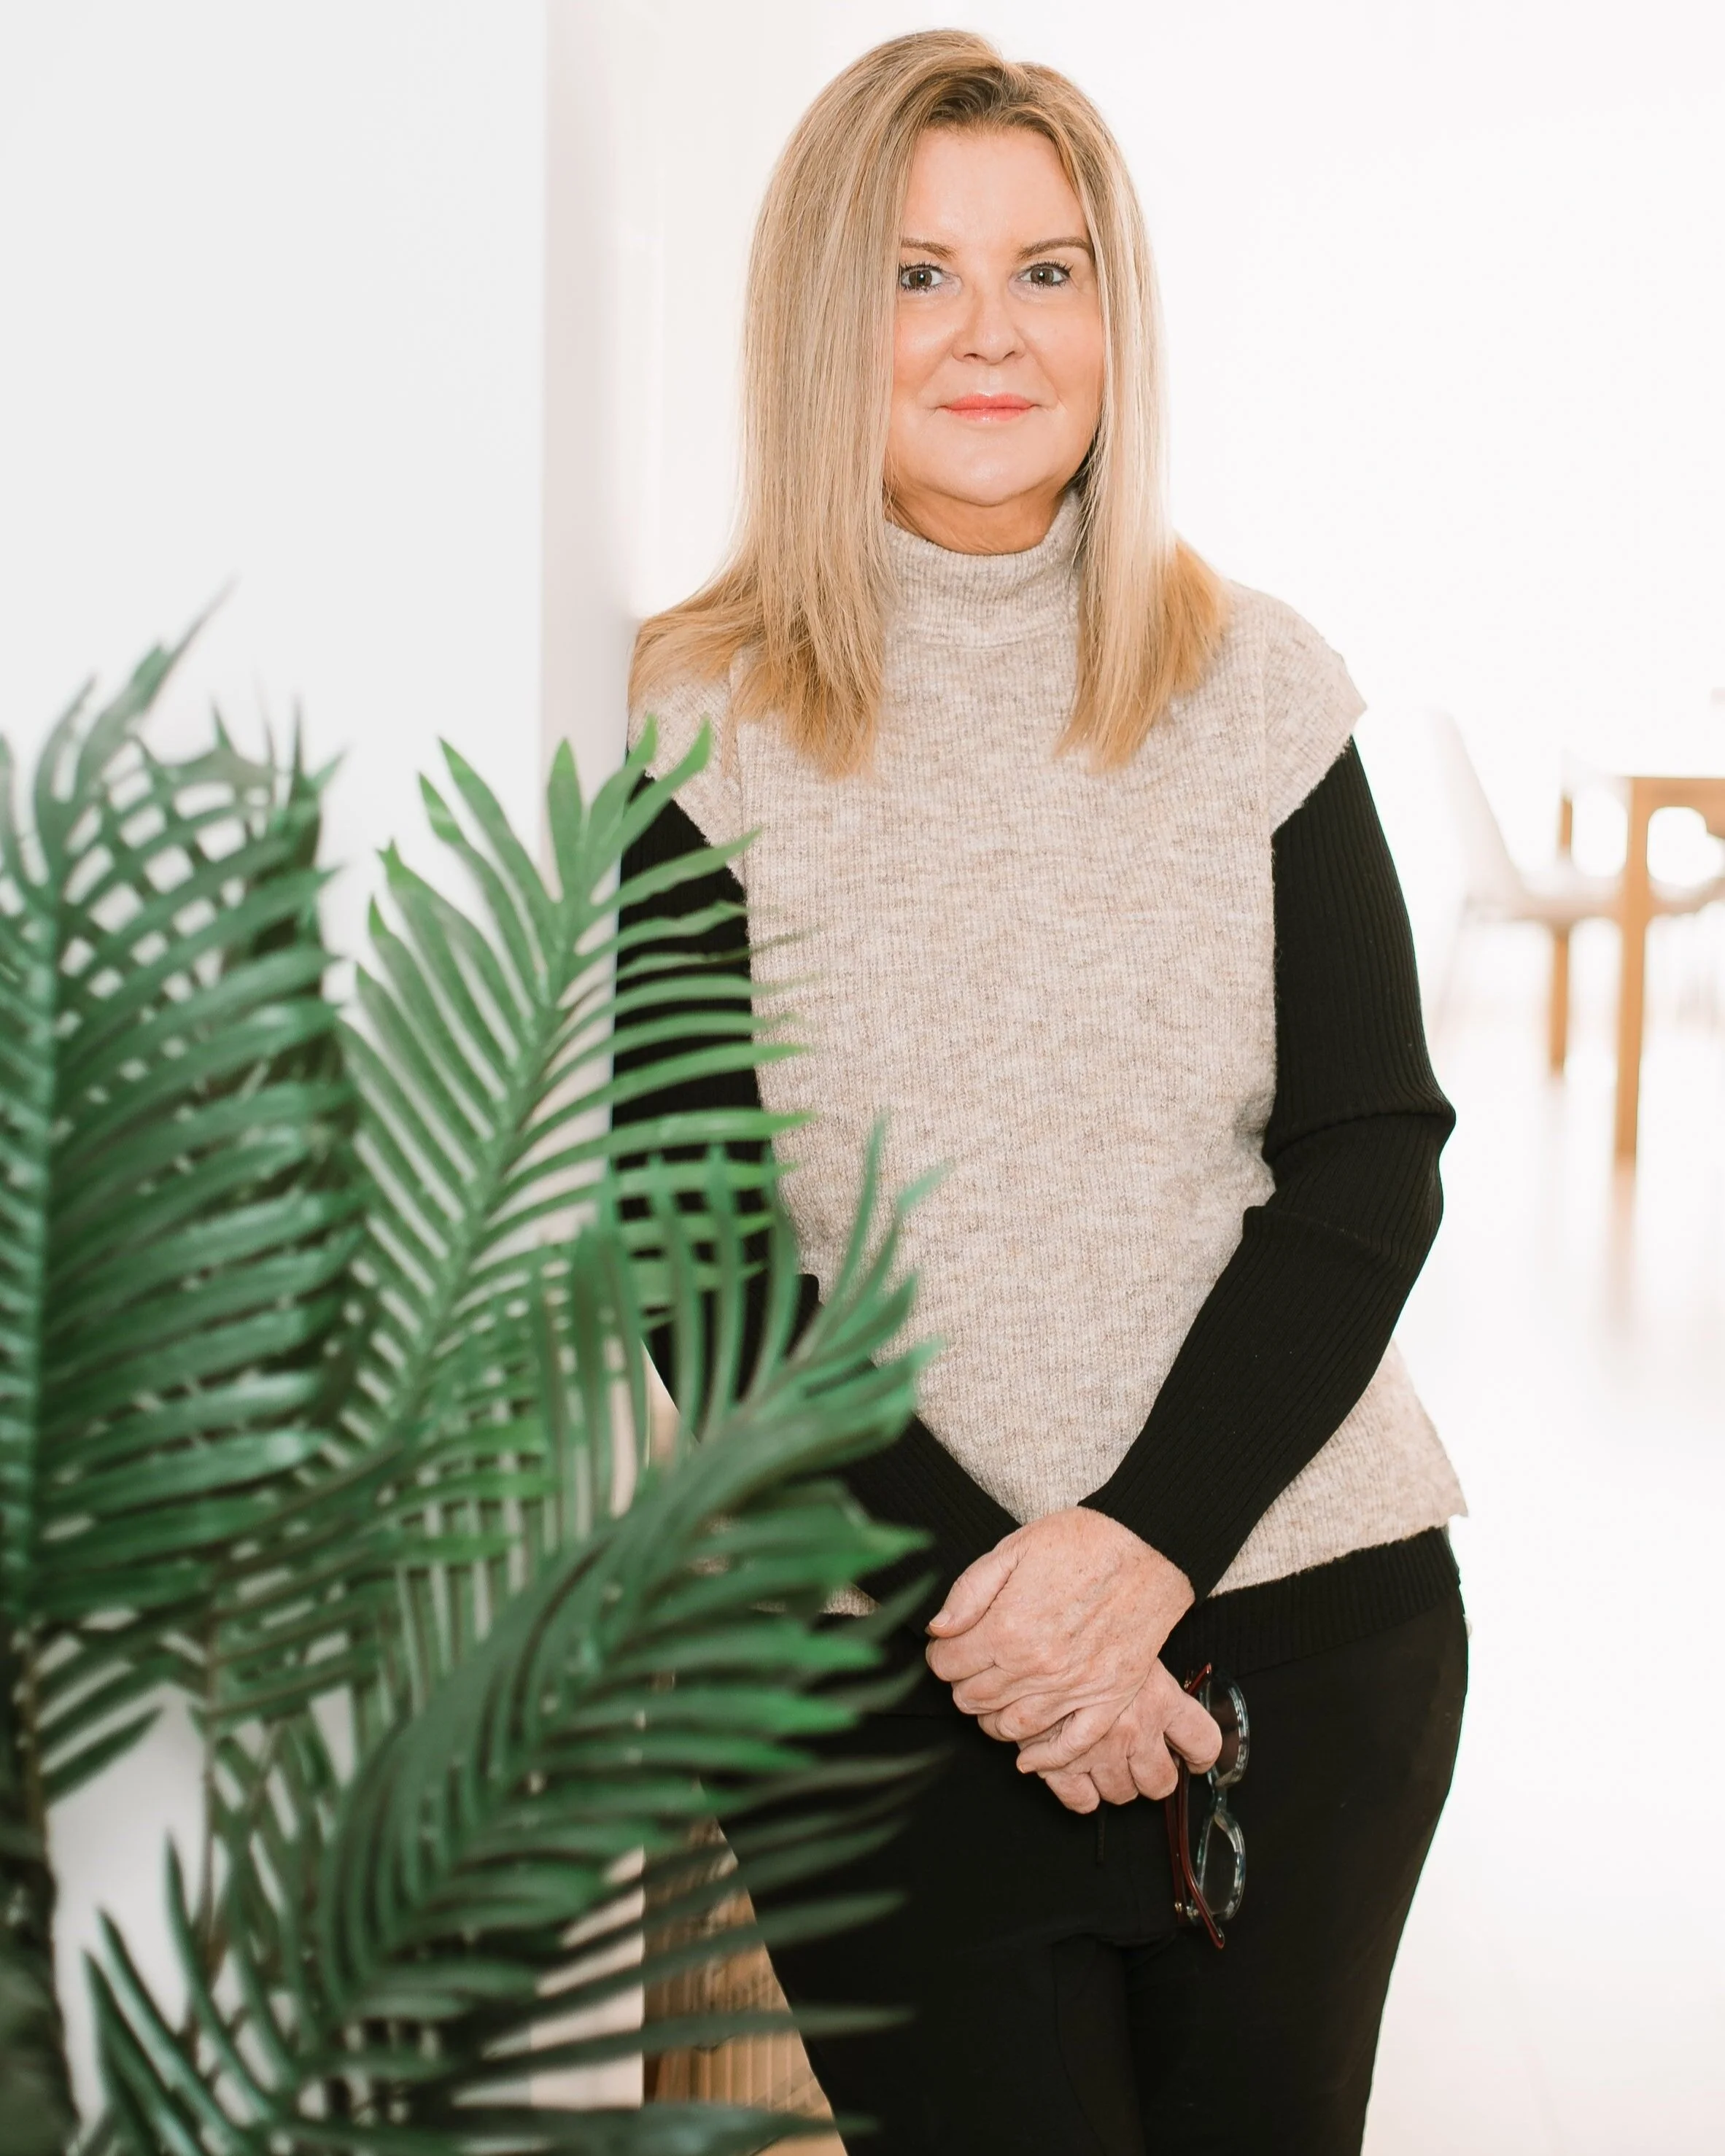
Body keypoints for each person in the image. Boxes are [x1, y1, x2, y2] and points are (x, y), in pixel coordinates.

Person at [615, 29, 1467, 2155]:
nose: (988, 333)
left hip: (1299, 1635)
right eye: (916, 274)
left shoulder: (1257, 680)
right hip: (873, 1666)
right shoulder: (691, 714)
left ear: (1115, 315)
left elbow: (1368, 1161)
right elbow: (696, 1247)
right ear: (819, 321)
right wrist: (1018, 1632)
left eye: (1047, 270)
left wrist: (1140, 1555)